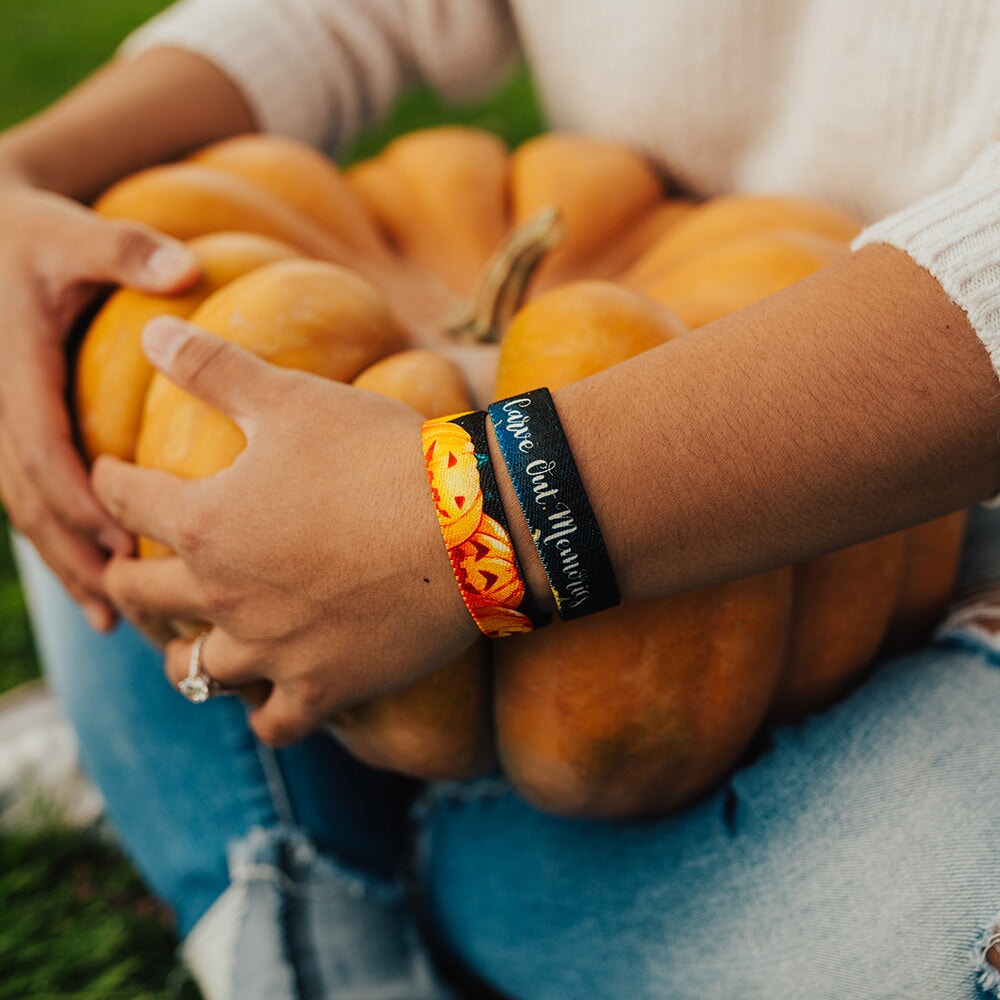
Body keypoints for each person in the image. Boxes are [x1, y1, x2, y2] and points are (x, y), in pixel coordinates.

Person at [4, 1, 1000, 997]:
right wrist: (28, 171)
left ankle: (331, 833)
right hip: (607, 331)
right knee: (103, 312)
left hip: (940, 507)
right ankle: (324, 872)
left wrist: (471, 520)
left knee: (958, 907)